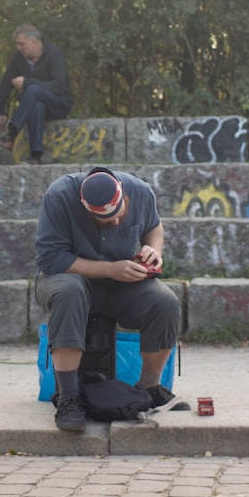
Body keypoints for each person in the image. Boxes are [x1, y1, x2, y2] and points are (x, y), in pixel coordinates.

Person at [34, 166, 187, 431]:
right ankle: (69, 398)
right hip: (64, 279)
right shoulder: (59, 196)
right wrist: (109, 269)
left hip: (119, 284)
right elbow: (51, 259)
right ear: (86, 208)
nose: (114, 224)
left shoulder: (140, 191)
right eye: (104, 222)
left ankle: (149, 388)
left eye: (119, 216)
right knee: (70, 291)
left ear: (124, 197)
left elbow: (154, 226)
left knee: (165, 302)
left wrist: (153, 249)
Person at [0, 24, 74, 165]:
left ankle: (11, 136)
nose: (18, 47)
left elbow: (59, 87)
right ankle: (35, 156)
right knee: (36, 104)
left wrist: (27, 82)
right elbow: (6, 83)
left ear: (34, 42)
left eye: (21, 44)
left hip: (59, 104)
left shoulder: (54, 54)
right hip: (36, 104)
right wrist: (0, 111)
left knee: (33, 90)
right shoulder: (19, 58)